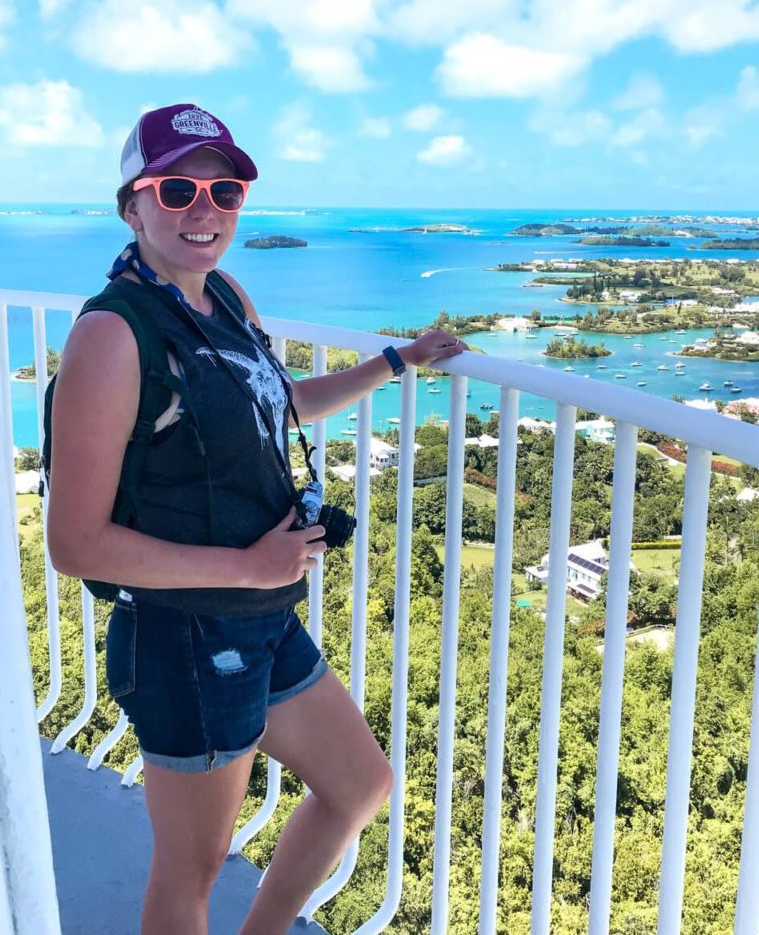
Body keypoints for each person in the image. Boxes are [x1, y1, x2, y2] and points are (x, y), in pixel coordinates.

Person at [46, 104, 467, 935]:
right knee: (190, 873)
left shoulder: (227, 297)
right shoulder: (112, 335)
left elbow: (281, 404)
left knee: (359, 785)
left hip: (259, 622)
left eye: (225, 191)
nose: (204, 209)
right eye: (176, 188)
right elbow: (73, 543)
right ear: (131, 205)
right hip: (186, 638)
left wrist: (394, 362)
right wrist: (249, 567)